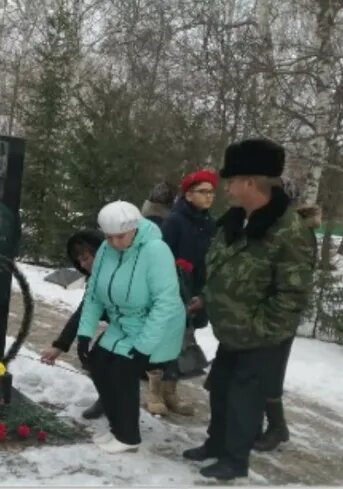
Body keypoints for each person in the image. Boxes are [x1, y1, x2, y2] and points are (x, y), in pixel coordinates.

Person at [183, 138, 316, 481]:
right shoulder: (235, 221)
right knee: (222, 390)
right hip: (231, 331)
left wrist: (259, 328)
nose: (226, 187)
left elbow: (293, 293)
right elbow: (224, 270)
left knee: (245, 399)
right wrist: (206, 299)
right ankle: (216, 444)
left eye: (231, 180)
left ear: (251, 183)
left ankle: (234, 460)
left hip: (261, 336)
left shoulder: (290, 231)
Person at [76, 201, 186, 453]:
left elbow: (165, 303)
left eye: (120, 236)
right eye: (109, 236)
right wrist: (84, 334)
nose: (115, 242)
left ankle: (128, 437)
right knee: (98, 363)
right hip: (122, 323)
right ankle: (117, 428)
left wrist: (145, 347)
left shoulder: (156, 251)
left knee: (122, 371)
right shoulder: (106, 249)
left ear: (134, 228)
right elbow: (93, 294)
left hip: (154, 326)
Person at [252, 176, 320, 452]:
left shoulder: (296, 233)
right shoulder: (275, 226)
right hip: (262, 309)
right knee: (258, 369)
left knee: (270, 370)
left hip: (278, 314)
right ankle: (255, 423)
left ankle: (277, 427)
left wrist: (275, 314)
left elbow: (294, 283)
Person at [142, 169, 218, 416]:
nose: (209, 197)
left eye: (211, 192)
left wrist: (204, 292)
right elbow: (161, 255)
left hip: (196, 291)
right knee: (163, 341)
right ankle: (154, 393)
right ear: (188, 194)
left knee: (183, 343)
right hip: (172, 289)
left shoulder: (210, 224)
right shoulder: (175, 220)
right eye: (203, 192)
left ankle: (171, 392)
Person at [41, 229, 106, 419]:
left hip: (145, 326)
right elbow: (83, 312)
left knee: (116, 362)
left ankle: (122, 413)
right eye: (79, 261)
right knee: (95, 360)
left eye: (86, 258)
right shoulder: (95, 279)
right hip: (122, 326)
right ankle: (109, 398)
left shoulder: (124, 270)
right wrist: (60, 345)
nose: (83, 265)